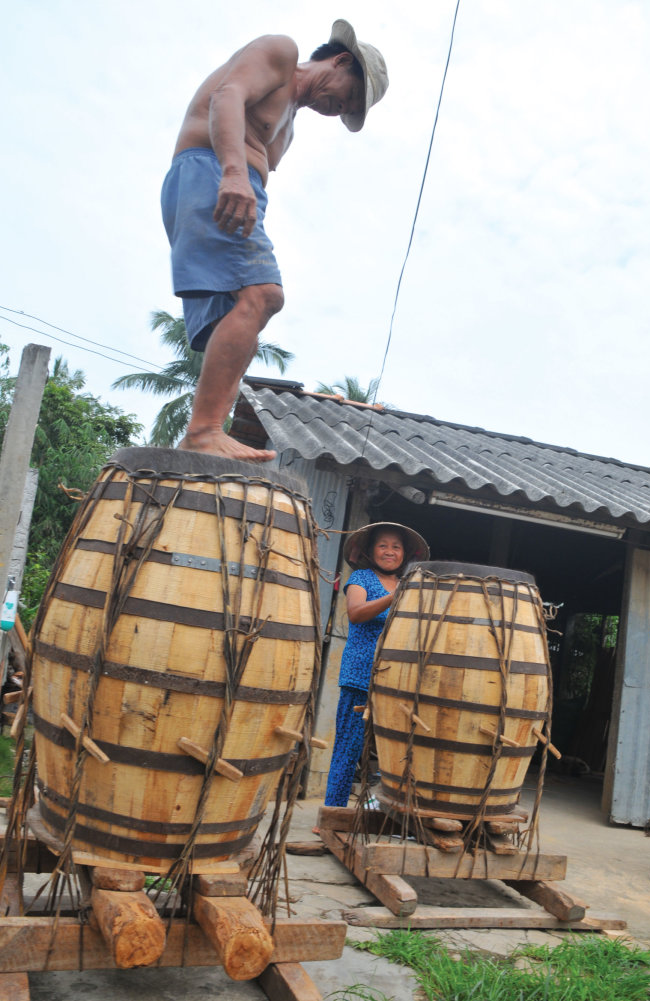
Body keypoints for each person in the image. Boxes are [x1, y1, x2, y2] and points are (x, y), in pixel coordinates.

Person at [161, 20, 389, 461]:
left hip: (233, 189)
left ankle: (207, 436)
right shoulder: (280, 53)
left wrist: (240, 181)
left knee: (236, 319)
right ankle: (203, 430)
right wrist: (231, 171)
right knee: (264, 294)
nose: (339, 107)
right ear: (341, 61)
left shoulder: (288, 129)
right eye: (349, 96)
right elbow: (226, 97)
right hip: (210, 170)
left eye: (349, 108)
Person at [322, 522, 430, 812]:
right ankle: (332, 813)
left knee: (396, 748)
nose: (389, 551)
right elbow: (356, 614)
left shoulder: (412, 587)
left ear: (405, 554)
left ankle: (384, 810)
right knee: (349, 746)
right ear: (370, 551)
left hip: (398, 678)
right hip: (360, 675)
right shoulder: (361, 578)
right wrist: (395, 597)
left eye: (396, 547)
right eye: (383, 545)